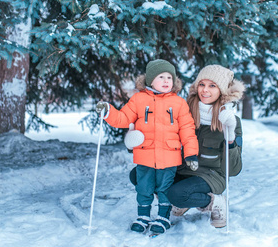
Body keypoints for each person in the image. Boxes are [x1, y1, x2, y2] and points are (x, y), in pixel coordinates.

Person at [127, 64, 244, 228]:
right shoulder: (185, 110)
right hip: (183, 169)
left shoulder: (231, 120)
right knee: (139, 175)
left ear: (222, 90)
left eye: (212, 86)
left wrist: (230, 136)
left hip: (210, 175)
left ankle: (215, 202)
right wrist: (134, 141)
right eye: (202, 84)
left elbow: (233, 170)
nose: (205, 90)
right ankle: (181, 201)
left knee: (176, 194)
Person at [96, 59, 199, 234]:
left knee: (164, 188)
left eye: (169, 77)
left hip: (169, 155)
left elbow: (187, 130)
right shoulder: (139, 99)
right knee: (144, 187)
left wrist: (190, 154)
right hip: (145, 154)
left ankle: (163, 217)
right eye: (161, 77)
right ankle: (143, 216)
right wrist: (108, 111)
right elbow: (123, 119)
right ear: (150, 80)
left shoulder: (179, 103)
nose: (166, 81)